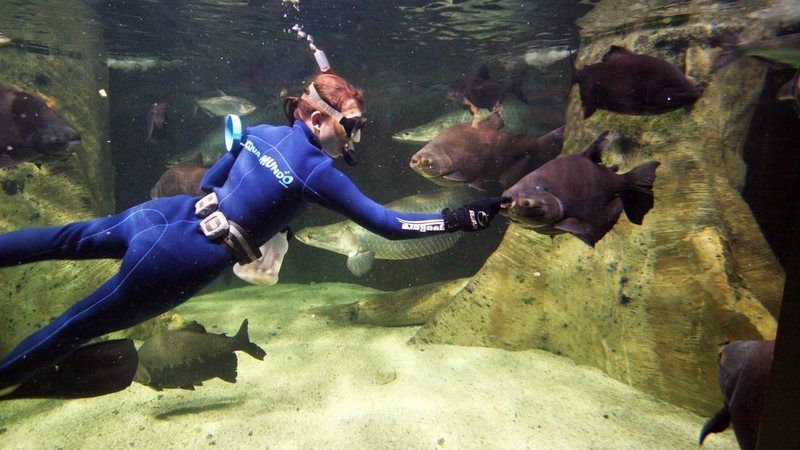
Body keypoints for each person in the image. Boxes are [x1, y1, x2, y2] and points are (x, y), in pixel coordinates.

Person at [0, 72, 508, 399]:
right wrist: (460, 219)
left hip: (166, 215)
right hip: (186, 256)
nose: (356, 135)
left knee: (62, 240)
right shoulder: (319, 174)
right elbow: (388, 226)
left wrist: (263, 201)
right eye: (351, 125)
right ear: (317, 118)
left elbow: (211, 181)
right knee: (75, 326)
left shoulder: (262, 133)